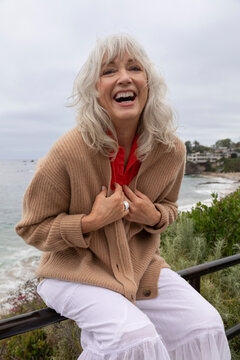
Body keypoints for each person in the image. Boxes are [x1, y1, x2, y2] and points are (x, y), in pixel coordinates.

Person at [16, 34, 230, 359]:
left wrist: (153, 217)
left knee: (205, 325)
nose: (124, 77)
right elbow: (31, 229)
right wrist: (90, 222)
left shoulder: (171, 150)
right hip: (72, 270)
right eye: (108, 71)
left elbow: (170, 208)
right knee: (133, 339)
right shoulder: (66, 151)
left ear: (149, 83)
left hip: (137, 266)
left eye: (134, 68)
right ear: (94, 90)